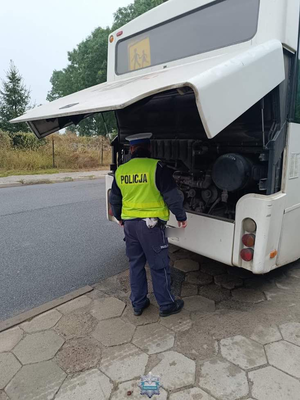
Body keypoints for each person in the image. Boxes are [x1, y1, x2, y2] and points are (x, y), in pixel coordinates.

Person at [109, 133, 188, 317]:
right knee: (159, 266)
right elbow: (171, 195)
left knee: (135, 264)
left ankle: (138, 303)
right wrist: (180, 216)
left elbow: (115, 198)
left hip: (130, 226)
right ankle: (167, 305)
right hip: (152, 227)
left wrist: (120, 217)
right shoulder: (157, 167)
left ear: (131, 149)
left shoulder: (121, 170)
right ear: (150, 148)